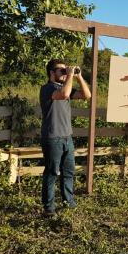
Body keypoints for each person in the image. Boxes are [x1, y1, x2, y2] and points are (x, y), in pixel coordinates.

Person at [39, 59, 91, 216]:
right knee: (52, 172)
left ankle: (68, 201)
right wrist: (69, 76)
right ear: (51, 73)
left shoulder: (64, 86)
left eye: (65, 70)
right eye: (60, 70)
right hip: (52, 138)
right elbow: (64, 95)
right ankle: (49, 208)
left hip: (67, 137)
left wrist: (79, 77)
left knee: (69, 171)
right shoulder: (47, 89)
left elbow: (87, 95)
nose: (63, 72)